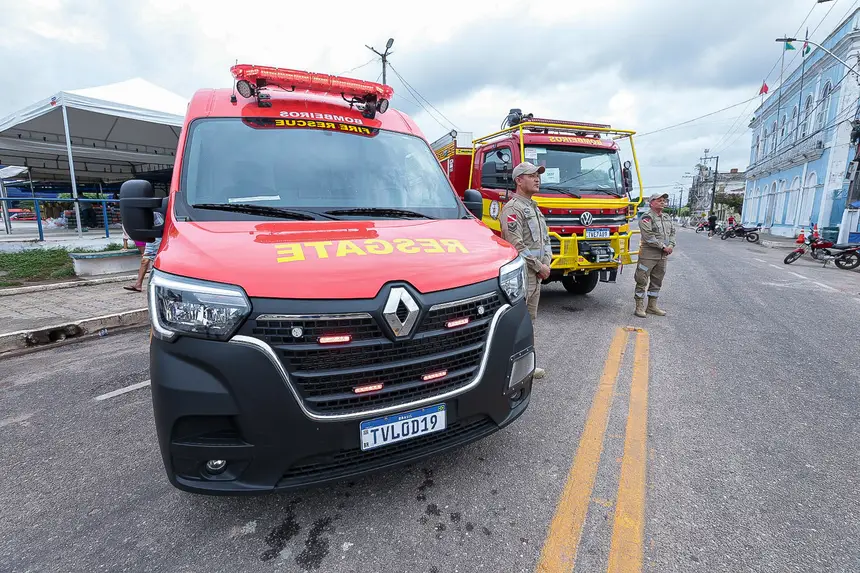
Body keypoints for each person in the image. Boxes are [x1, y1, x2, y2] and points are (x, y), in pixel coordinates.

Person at [500, 161, 551, 379]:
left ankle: (526, 366)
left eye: (538, 175)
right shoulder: (513, 209)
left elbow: (545, 240)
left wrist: (547, 263)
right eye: (532, 175)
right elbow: (516, 245)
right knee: (515, 325)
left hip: (536, 275)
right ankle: (506, 370)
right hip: (522, 275)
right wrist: (539, 267)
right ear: (519, 181)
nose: (537, 179)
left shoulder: (534, 208)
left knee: (529, 324)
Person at [634, 193, 676, 318]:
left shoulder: (667, 217)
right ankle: (639, 307)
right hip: (649, 255)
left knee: (657, 281)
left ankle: (652, 306)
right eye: (659, 200)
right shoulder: (646, 217)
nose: (663, 202)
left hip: (662, 255)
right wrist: (663, 247)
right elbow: (648, 236)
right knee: (641, 279)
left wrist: (671, 245)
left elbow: (672, 233)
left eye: (664, 200)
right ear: (651, 203)